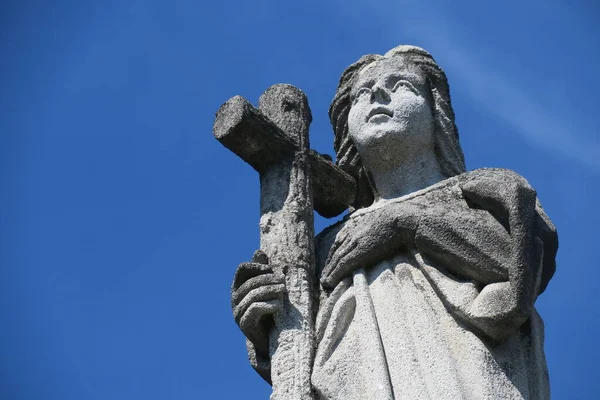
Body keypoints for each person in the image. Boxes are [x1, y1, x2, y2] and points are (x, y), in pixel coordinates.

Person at [231, 45, 558, 399]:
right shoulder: (327, 247)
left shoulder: (482, 194)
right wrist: (267, 321)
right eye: (362, 94)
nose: (379, 96)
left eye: (401, 85)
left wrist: (404, 224)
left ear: (437, 114)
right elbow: (300, 355)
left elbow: (516, 265)